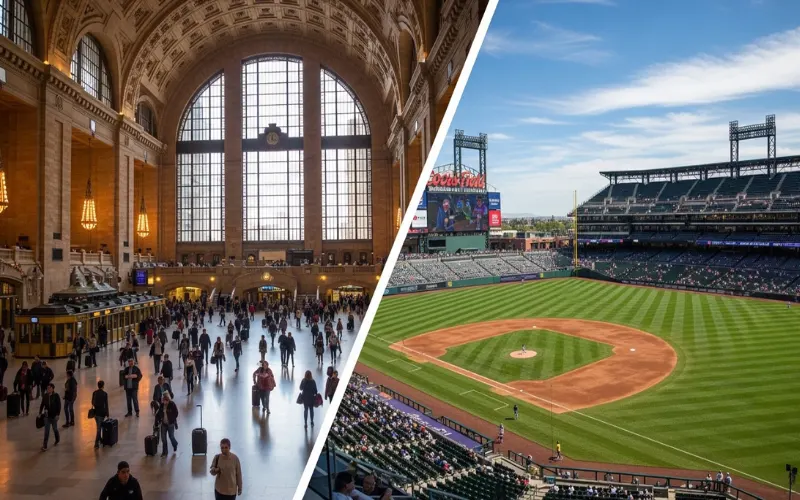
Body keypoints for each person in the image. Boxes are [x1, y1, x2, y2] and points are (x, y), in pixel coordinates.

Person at [39, 383, 61, 451]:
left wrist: (58, 414)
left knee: (55, 429)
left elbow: (59, 406)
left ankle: (57, 439)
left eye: (49, 388)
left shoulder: (56, 396)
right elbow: (42, 405)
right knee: (46, 431)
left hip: (54, 416)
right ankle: (45, 446)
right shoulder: (45, 396)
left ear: (52, 388)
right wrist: (40, 413)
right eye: (47, 388)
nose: (48, 389)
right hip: (47, 417)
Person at [91, 380, 110, 449]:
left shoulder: (94, 393)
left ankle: (101, 439)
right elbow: (106, 405)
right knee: (99, 429)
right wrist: (107, 414)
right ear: (103, 386)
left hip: (96, 413)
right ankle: (96, 443)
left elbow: (92, 402)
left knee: (99, 426)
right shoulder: (105, 394)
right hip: (102, 413)